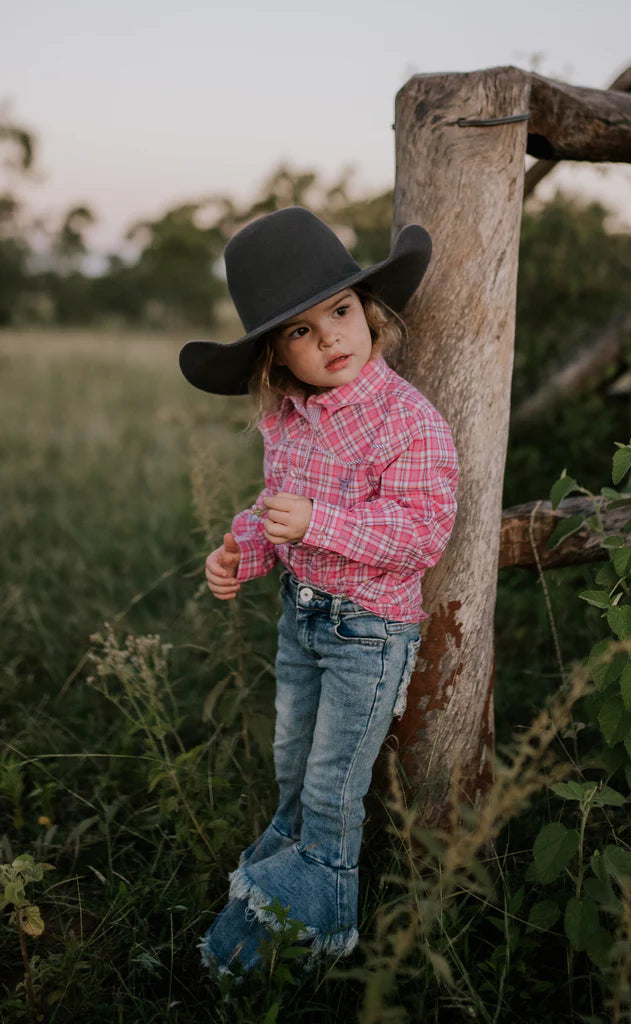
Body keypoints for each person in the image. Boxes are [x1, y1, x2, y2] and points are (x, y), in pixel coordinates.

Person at [179, 206, 459, 975]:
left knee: (334, 789)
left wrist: (316, 523)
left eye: (338, 312)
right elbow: (277, 515)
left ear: (368, 312)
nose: (330, 337)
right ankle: (267, 907)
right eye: (300, 331)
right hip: (302, 624)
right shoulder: (291, 423)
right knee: (293, 769)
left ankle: (315, 938)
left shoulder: (409, 422)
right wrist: (242, 548)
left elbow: (418, 537)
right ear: (276, 356)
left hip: (369, 636)